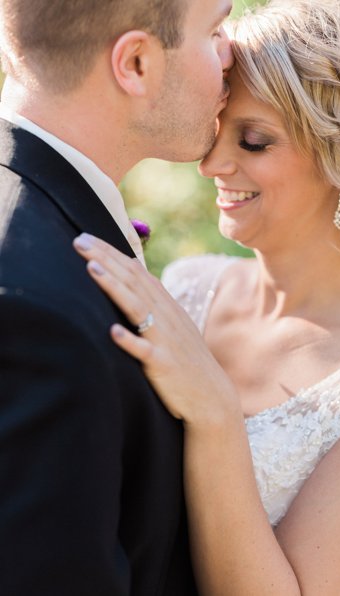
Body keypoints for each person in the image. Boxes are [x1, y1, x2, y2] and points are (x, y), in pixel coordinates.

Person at [72, 1, 340, 594]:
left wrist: (216, 416)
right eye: (218, 128)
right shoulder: (189, 286)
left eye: (253, 141)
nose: (213, 164)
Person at [0, 0, 232, 593]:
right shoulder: (35, 312)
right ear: (134, 63)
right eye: (214, 31)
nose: (233, 52)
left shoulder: (46, 226)